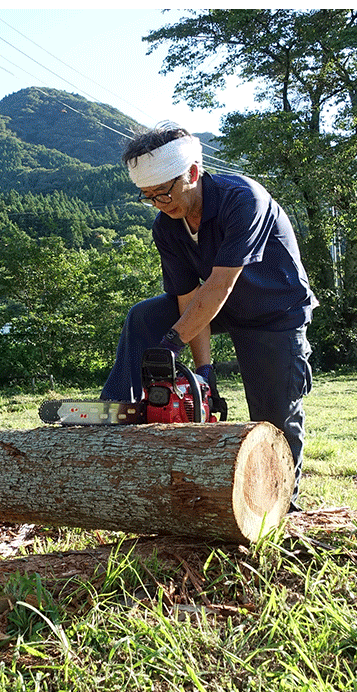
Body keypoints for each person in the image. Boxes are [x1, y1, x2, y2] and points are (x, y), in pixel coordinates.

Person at [101, 122, 318, 506]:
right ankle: (119, 412)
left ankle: (284, 503)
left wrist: (171, 345)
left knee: (274, 419)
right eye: (148, 197)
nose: (159, 204)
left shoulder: (244, 199)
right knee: (144, 317)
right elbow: (189, 299)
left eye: (165, 192)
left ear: (193, 173)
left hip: (275, 312)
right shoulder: (166, 227)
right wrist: (204, 374)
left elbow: (219, 285)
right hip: (217, 305)